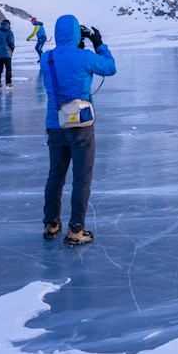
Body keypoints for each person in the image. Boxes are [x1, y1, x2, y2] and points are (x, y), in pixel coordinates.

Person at [40, 15, 115, 245]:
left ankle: (51, 224)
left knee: (55, 177)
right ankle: (75, 230)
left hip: (55, 125)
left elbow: (63, 66)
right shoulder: (84, 56)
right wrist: (98, 43)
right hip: (81, 126)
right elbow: (110, 68)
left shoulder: (46, 58)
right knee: (81, 178)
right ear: (76, 33)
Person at [0, 19, 15, 87]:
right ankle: (8, 83)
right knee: (8, 68)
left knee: (0, 68)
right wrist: (12, 49)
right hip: (7, 53)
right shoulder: (9, 32)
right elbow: (11, 42)